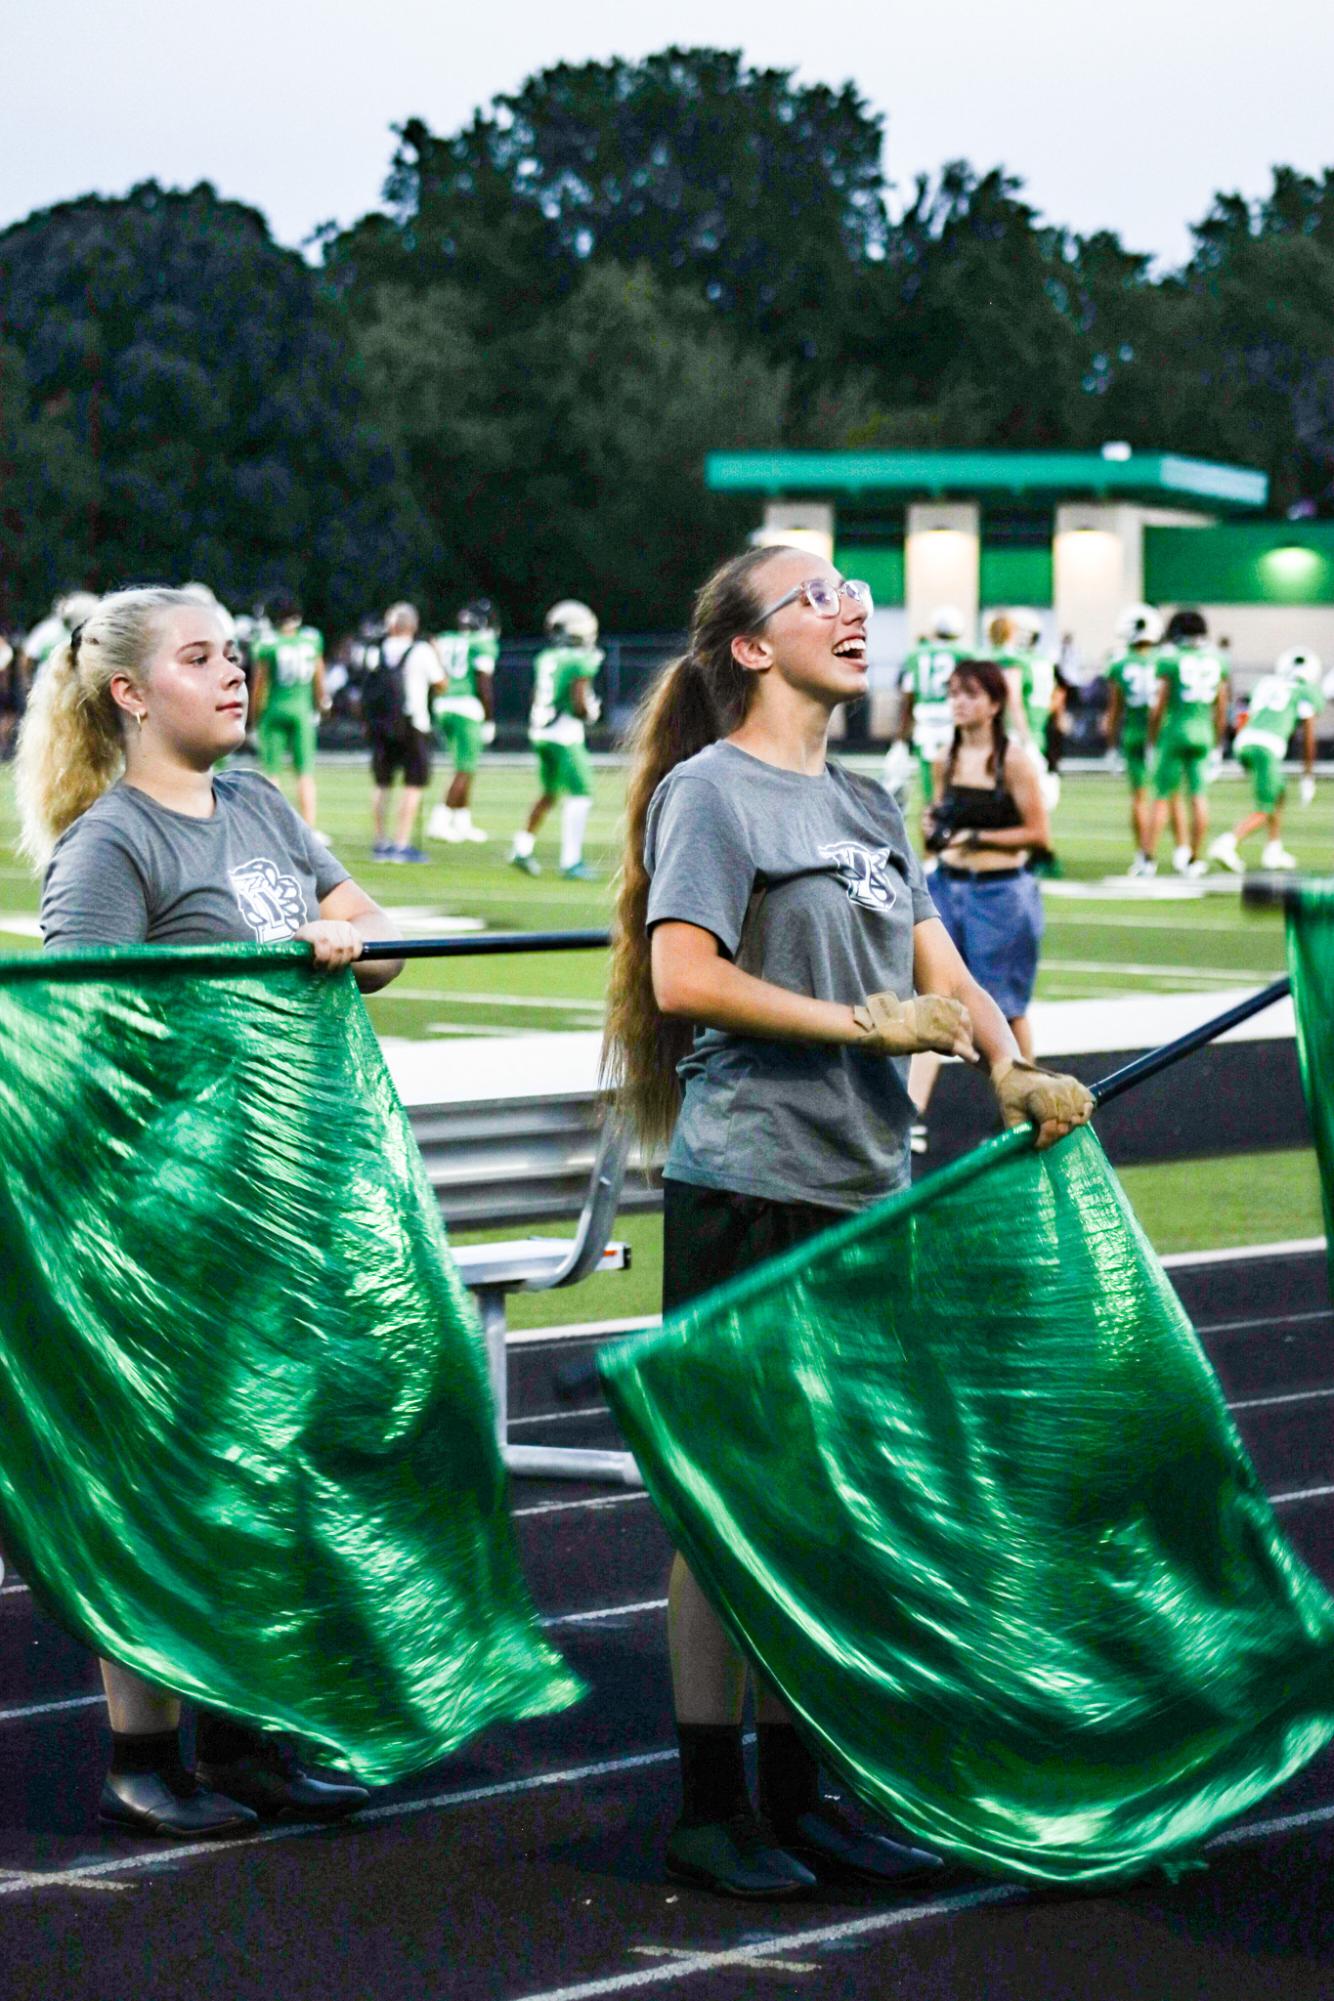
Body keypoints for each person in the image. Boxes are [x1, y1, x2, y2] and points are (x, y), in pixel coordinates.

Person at [602, 545, 1092, 1900]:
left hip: (861, 1186)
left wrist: (1010, 1073)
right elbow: (681, 971)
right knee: (728, 1508)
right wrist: (854, 1022)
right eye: (814, 596)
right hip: (749, 1184)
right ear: (751, 648)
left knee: (831, 1506)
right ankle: (712, 1806)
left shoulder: (870, 801)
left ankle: (798, 1794)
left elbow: (943, 969)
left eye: (850, 595)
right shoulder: (711, 794)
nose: (851, 607)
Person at [15, 583, 404, 1838]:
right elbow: (88, 1048)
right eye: (200, 657)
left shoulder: (259, 806)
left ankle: (244, 1736)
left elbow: (372, 932)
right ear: (129, 692)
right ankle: (145, 1755)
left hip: (289, 1204)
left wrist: (342, 939)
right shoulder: (109, 847)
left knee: (271, 1473)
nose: (235, 673)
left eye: (236, 653)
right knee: (171, 1484)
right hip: (177, 1217)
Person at [907, 657, 1054, 1150]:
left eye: (970, 694)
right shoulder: (944, 756)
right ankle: (911, 1115)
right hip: (949, 886)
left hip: (1002, 893)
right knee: (933, 997)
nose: (958, 703)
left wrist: (977, 836)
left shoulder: (1012, 760)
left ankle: (1025, 1104)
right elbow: (937, 825)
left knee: (1006, 1006)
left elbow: (1039, 835)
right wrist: (936, 828)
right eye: (953, 693)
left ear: (994, 704)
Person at [1209, 649, 1324, 874]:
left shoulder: (1265, 683)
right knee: (1265, 807)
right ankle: (1227, 843)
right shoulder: (1306, 691)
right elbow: (1309, 735)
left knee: (1278, 793)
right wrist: (1307, 776)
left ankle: (1273, 849)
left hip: (1245, 741)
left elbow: (1243, 714)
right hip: (1267, 746)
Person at [511, 600, 602, 879]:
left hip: (541, 732)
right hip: (563, 734)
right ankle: (571, 861)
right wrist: (590, 713)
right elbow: (578, 703)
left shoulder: (546, 657)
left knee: (550, 792)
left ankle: (521, 848)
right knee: (582, 793)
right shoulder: (579, 659)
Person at [1146, 609, 1229, 877]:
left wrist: (1151, 739)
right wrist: (1218, 743)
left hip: (1175, 730)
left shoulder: (1170, 660)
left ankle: (1147, 859)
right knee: (1198, 797)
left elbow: (1159, 705)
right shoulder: (1217, 659)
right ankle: (1194, 859)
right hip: (1203, 731)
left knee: (1160, 797)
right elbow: (1221, 706)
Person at [361, 602, 441, 862]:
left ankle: (380, 841)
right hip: (413, 722)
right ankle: (401, 843)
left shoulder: (376, 651)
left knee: (382, 783)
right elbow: (441, 683)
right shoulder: (422, 651)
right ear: (413, 625)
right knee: (412, 785)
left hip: (382, 724)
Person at [249, 592, 325, 829]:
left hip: (274, 710)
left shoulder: (267, 644)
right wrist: (322, 704)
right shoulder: (311, 639)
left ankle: (275, 828)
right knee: (305, 774)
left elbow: (259, 685)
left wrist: (252, 716)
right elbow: (319, 678)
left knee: (271, 774)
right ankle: (309, 829)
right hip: (302, 711)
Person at [427, 599, 499, 844]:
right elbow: (484, 684)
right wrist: (489, 719)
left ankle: (462, 822)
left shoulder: (446, 639)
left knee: (465, 766)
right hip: (466, 706)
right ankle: (440, 820)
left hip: (443, 704)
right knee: (464, 768)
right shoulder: (483, 644)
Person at [1104, 604, 1166, 876]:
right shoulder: (1164, 660)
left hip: (1134, 732)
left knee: (1139, 798)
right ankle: (1178, 853)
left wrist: (1110, 746)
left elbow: (1114, 710)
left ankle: (1143, 856)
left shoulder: (1119, 663)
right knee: (1164, 797)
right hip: (1162, 734)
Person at [889, 607, 969, 804]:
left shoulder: (916, 655)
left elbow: (908, 696)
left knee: (930, 787)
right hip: (954, 722)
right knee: (956, 780)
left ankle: (934, 820)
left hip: (925, 723)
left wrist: (900, 736)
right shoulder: (965, 654)